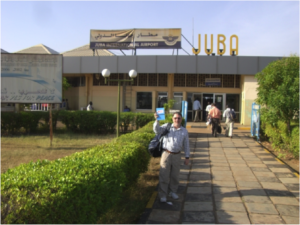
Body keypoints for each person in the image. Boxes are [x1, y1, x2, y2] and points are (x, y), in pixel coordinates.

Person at [153, 112, 190, 203]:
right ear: (172, 119)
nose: (177, 120)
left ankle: (173, 192)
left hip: (177, 155)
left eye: (179, 118)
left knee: (175, 176)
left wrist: (187, 157)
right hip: (166, 154)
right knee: (164, 174)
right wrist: (157, 120)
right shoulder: (167, 126)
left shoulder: (184, 131)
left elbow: (186, 145)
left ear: (181, 119)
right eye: (175, 118)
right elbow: (157, 130)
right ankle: (163, 194)